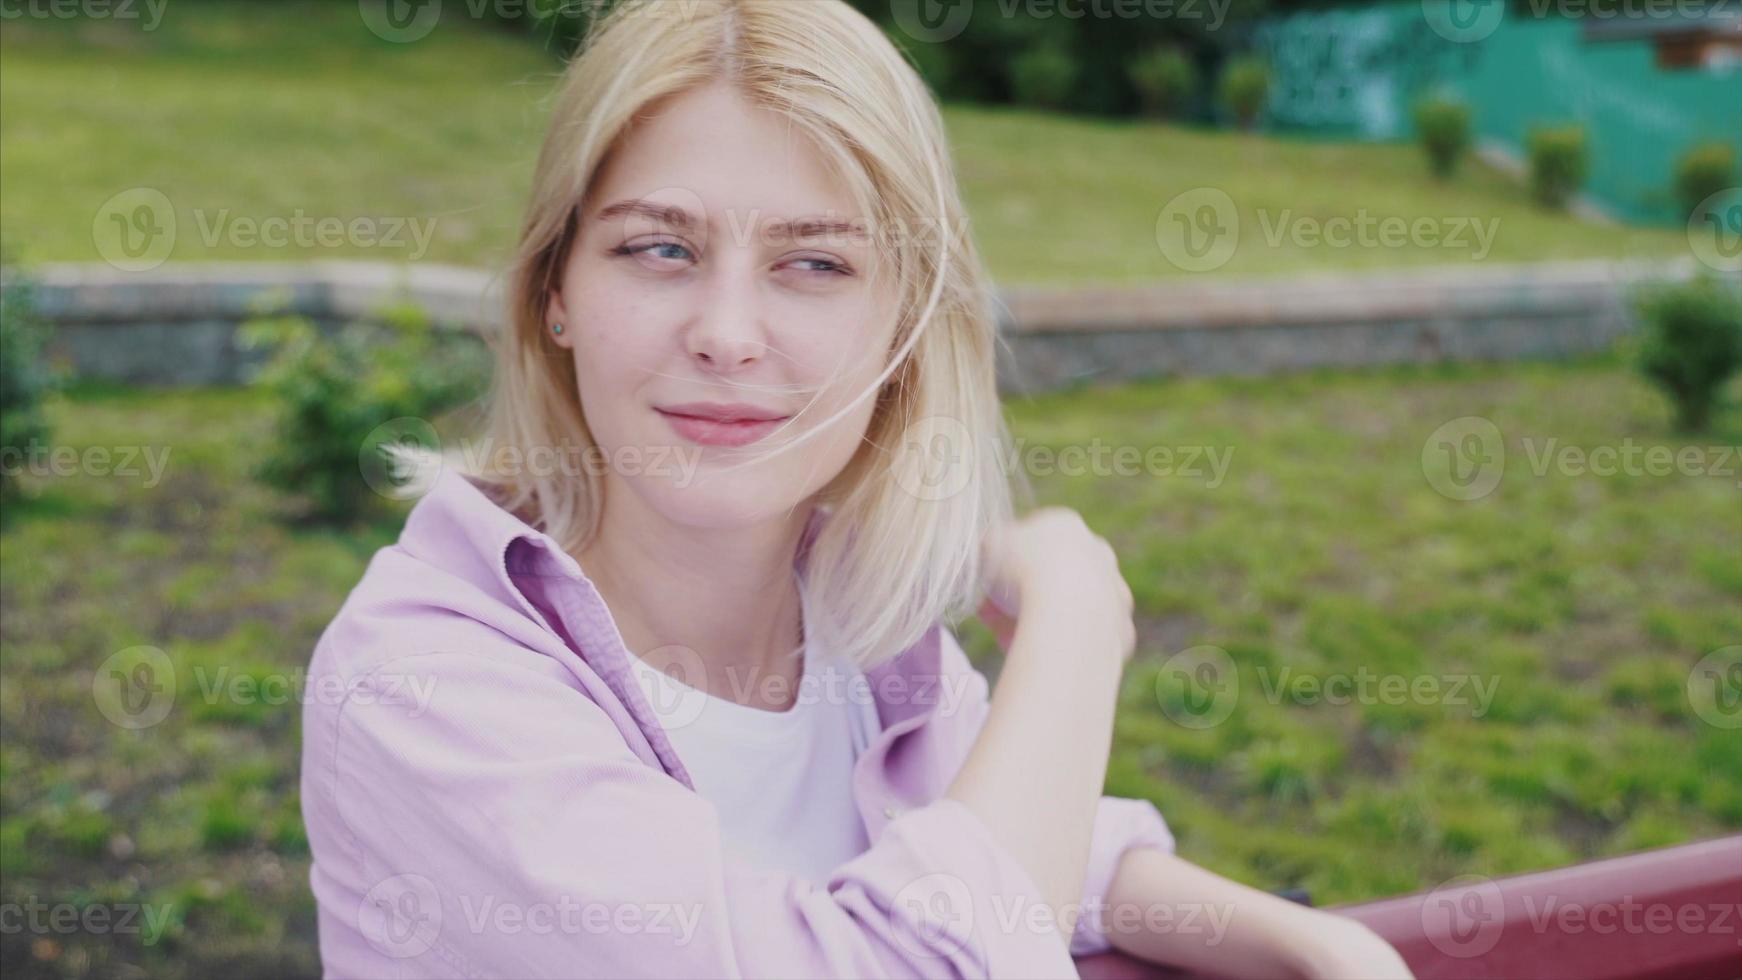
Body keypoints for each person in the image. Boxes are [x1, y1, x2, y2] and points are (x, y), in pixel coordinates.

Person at [299, 1, 1414, 976]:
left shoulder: (851, 621)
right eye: (659, 250)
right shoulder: (425, 680)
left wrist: (1313, 941)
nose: (727, 334)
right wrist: (1075, 622)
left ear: (904, 325)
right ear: (555, 293)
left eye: (815, 263)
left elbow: (1035, 840)